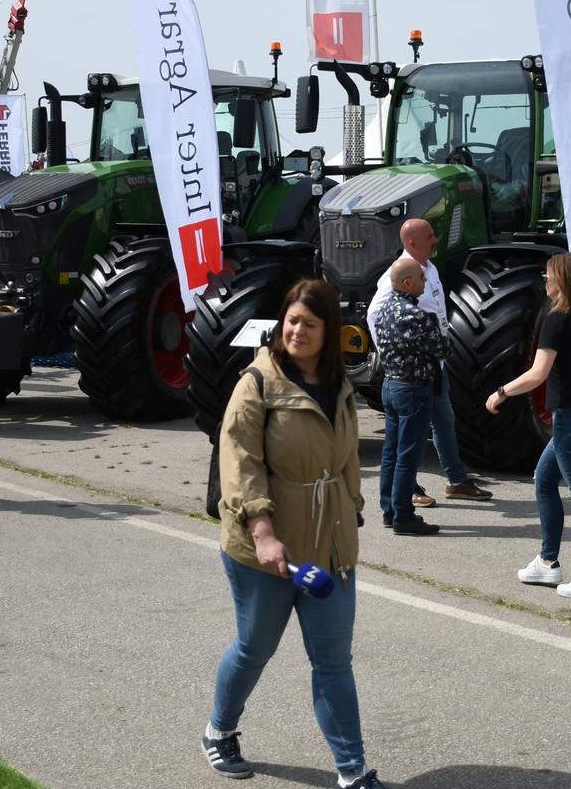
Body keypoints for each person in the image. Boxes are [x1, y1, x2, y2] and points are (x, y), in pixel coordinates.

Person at [206, 279, 385, 788]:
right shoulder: (257, 384)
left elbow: (348, 457)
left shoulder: (341, 386)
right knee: (253, 648)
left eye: (309, 323)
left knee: (332, 661)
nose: (297, 330)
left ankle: (352, 771)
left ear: (330, 331)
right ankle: (219, 731)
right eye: (291, 321)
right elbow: (239, 463)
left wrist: (352, 508)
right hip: (264, 549)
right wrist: (263, 532)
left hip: (328, 547)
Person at [487, 252, 571, 600]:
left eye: (549, 275)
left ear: (564, 281)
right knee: (544, 481)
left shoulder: (557, 319)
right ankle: (547, 562)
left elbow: (538, 374)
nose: (545, 280)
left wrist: (501, 391)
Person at [365, 217, 493, 504]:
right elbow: (375, 314)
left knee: (444, 421)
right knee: (409, 434)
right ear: (412, 243)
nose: (436, 239)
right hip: (411, 372)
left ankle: (457, 480)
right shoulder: (397, 274)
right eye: (430, 236)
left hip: (434, 367)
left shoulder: (428, 268)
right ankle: (406, 490)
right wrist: (390, 354)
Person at [371, 258, 449, 537]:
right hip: (414, 389)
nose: (424, 282)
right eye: (420, 278)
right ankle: (404, 515)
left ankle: (389, 511)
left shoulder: (383, 312)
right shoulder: (416, 316)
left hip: (391, 385)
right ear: (407, 283)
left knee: (391, 452)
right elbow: (442, 347)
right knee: (408, 455)